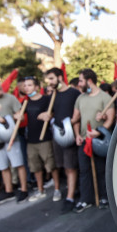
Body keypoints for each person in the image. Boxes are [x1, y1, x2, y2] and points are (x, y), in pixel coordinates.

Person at [72, 69, 114, 213]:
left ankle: (104, 197)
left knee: (101, 170)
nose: (79, 83)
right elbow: (76, 119)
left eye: (81, 80)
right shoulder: (80, 98)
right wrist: (77, 134)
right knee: (84, 171)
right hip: (84, 140)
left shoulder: (105, 97)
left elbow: (110, 119)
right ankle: (85, 199)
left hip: (99, 140)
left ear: (89, 81)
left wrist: (99, 131)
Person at [0, 77, 29, 204]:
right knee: (3, 166)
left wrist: (15, 117)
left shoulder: (10, 98)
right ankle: (9, 190)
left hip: (11, 136)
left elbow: (19, 116)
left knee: (18, 164)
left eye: (0, 88)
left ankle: (24, 189)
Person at [44, 67, 81, 212]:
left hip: (69, 135)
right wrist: (48, 116)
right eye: (49, 79)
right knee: (64, 166)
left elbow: (78, 115)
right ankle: (74, 189)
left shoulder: (74, 93)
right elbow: (52, 113)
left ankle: (70, 197)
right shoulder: (53, 95)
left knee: (70, 167)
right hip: (57, 134)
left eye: (52, 78)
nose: (50, 82)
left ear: (60, 77)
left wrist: (73, 125)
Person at [22, 76, 61, 202]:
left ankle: (57, 189)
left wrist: (49, 115)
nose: (26, 88)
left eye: (29, 85)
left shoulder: (46, 100)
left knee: (51, 165)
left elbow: (54, 113)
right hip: (31, 140)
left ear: (36, 87)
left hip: (45, 138)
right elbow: (22, 118)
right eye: (25, 85)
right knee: (35, 167)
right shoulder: (25, 102)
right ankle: (40, 190)